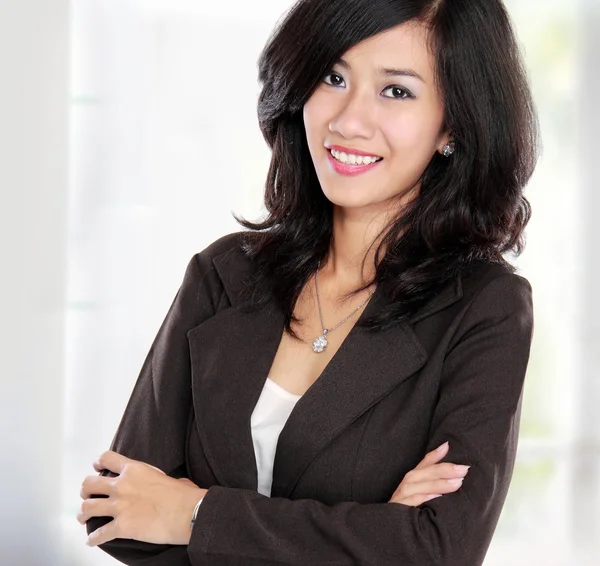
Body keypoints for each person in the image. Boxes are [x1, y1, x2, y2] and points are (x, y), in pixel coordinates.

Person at [78, 0, 539, 563]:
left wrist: (193, 514)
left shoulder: (484, 308)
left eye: (396, 90)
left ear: (453, 124)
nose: (347, 119)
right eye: (332, 76)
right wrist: (369, 533)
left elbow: (438, 549)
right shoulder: (224, 274)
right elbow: (115, 513)